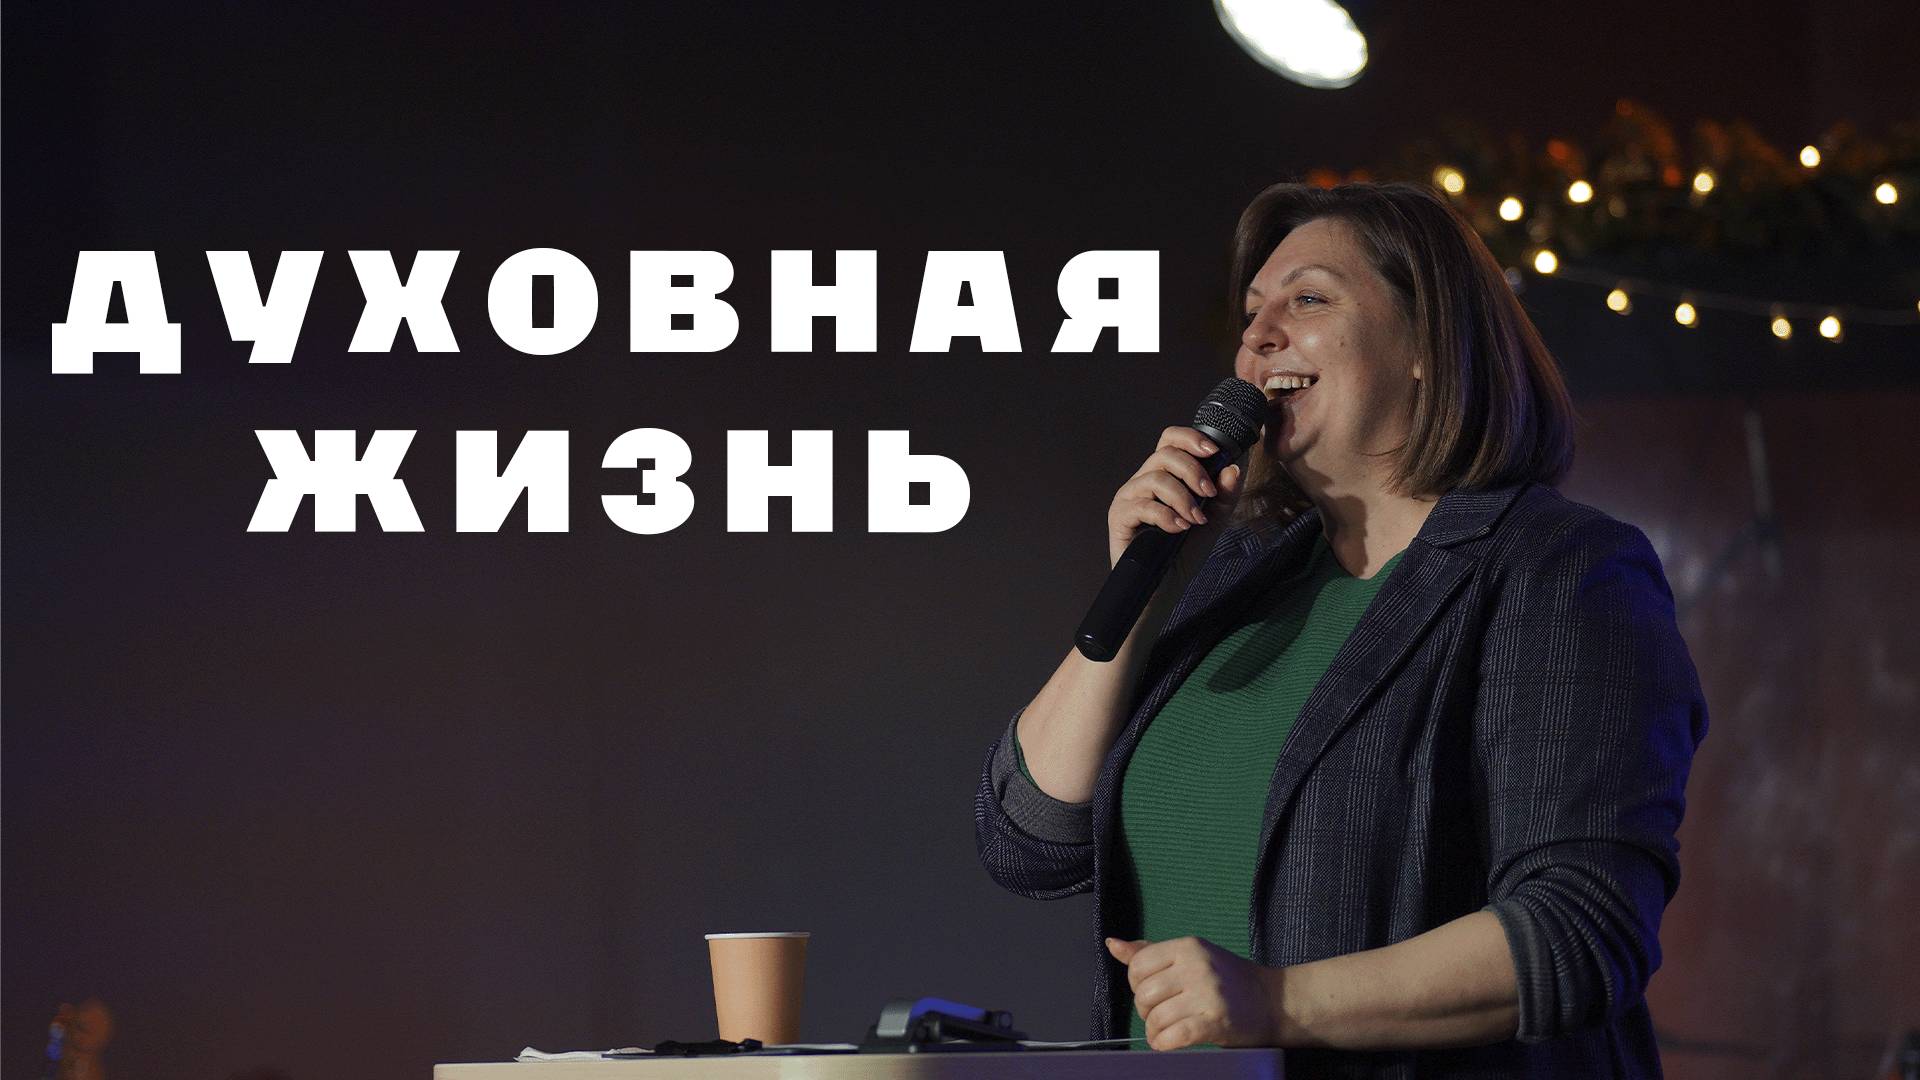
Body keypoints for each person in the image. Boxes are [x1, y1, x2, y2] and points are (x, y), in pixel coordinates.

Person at [973, 180, 1708, 1078]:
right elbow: (1028, 842)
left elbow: (1580, 931)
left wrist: (1277, 1003)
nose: (1258, 335)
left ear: (1429, 345)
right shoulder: (1243, 581)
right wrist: (1149, 587)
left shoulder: (1559, 569)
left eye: (1309, 299)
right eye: (1252, 312)